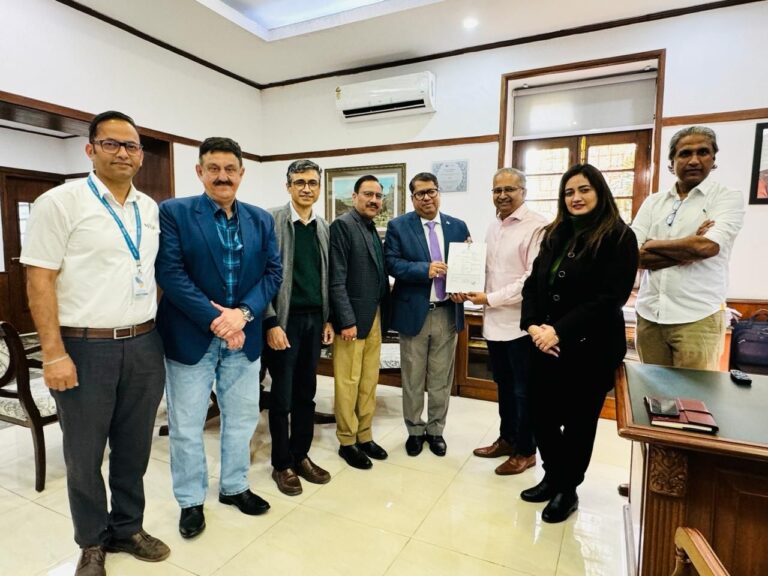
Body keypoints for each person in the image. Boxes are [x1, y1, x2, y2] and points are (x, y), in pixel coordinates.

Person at [21, 110, 170, 576]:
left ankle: (128, 528)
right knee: (84, 455)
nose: (123, 153)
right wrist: (53, 354)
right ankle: (91, 541)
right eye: (111, 143)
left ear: (141, 156)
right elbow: (40, 280)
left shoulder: (149, 208)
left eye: (131, 146)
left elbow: (150, 273)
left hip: (144, 343)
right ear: (90, 149)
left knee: (134, 447)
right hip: (85, 348)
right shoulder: (59, 203)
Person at [155, 137, 282, 539]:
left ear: (241, 174)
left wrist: (242, 315)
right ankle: (190, 500)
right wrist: (219, 320)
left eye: (230, 169)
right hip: (190, 337)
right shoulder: (174, 213)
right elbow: (170, 273)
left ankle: (234, 486)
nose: (222, 176)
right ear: (200, 172)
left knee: (242, 417)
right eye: (214, 168)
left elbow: (273, 274)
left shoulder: (260, 219)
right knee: (187, 424)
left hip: (244, 338)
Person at [519, 163, 638, 523]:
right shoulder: (555, 233)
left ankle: (567, 489)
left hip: (589, 349)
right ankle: (554, 475)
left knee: (578, 423)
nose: (576, 197)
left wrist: (558, 331)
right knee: (540, 416)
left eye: (584, 189)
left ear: (600, 191)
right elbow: (532, 284)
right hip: (544, 344)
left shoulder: (618, 236)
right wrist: (533, 326)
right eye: (569, 192)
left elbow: (610, 298)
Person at [632, 126, 745, 370]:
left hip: (697, 318)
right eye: (685, 153)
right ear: (672, 161)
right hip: (650, 315)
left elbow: (706, 247)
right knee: (652, 390)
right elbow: (631, 255)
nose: (694, 160)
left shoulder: (726, 198)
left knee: (694, 393)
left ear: (713, 158)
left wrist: (652, 244)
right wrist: (688, 248)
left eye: (702, 152)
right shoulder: (653, 202)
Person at [467, 168, 547, 474]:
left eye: (509, 189)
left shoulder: (537, 227)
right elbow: (488, 271)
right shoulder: (493, 226)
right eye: (497, 190)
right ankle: (508, 439)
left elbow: (530, 280)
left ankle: (526, 451)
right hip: (494, 324)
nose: (502, 195)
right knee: (503, 386)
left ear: (523, 192)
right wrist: (467, 275)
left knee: (525, 392)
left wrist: (489, 298)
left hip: (521, 326)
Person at [384, 172, 470, 457]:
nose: (427, 197)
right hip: (414, 314)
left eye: (431, 191)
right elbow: (391, 263)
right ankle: (414, 430)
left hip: (447, 312)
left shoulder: (458, 226)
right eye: (420, 193)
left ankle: (435, 430)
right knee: (412, 377)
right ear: (413, 198)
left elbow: (467, 265)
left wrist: (464, 288)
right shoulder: (399, 226)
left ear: (438, 192)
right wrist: (424, 269)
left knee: (441, 378)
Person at [263, 159, 334, 496]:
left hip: (314, 320)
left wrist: (328, 319)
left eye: (312, 183)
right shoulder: (272, 221)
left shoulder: (323, 227)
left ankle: (300, 454)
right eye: (300, 182)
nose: (307, 188)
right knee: (282, 396)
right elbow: (260, 274)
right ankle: (281, 463)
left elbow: (327, 277)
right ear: (288, 186)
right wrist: (271, 321)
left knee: (307, 392)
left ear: (319, 187)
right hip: (284, 321)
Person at [329, 175, 390, 470]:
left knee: (368, 381)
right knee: (348, 382)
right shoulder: (343, 225)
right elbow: (336, 278)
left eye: (378, 196)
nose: (373, 200)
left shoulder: (370, 227)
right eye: (368, 194)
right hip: (352, 320)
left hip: (374, 316)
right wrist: (346, 320)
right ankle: (346, 441)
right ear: (354, 197)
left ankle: (364, 435)